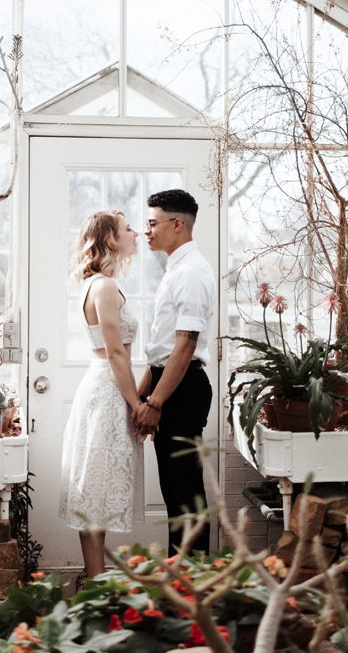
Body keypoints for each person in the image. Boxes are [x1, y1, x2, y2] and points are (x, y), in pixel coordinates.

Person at [58, 210, 145, 576]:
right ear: (111, 240)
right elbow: (115, 353)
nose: (137, 232)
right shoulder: (105, 287)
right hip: (107, 390)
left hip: (102, 388)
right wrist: (137, 404)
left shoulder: (96, 284)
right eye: (128, 228)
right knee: (96, 491)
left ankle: (93, 581)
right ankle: (94, 582)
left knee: (96, 489)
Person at [132, 189, 215, 554]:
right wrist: (141, 394)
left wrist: (156, 403)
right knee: (176, 494)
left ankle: (193, 587)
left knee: (185, 497)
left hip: (183, 390)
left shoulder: (193, 272)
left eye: (152, 223)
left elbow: (185, 345)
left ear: (177, 224)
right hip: (169, 385)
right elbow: (163, 349)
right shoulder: (177, 268)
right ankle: (182, 583)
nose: (146, 231)